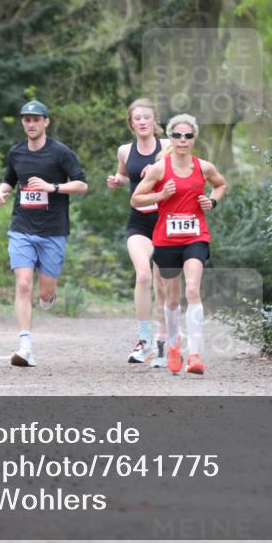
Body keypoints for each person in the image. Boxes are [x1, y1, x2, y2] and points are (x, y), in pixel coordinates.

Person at [0, 100, 88, 367]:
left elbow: (82, 185)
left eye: (36, 119)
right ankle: (25, 347)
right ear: (23, 122)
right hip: (21, 228)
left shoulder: (61, 153)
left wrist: (52, 187)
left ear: (46, 122)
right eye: (27, 119)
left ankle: (49, 296)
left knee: (45, 294)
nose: (31, 124)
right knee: (23, 284)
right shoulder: (16, 152)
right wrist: (0, 192)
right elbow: (9, 180)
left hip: (53, 231)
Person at [130, 114, 226, 375]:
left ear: (194, 138)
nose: (183, 140)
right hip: (165, 240)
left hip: (196, 237)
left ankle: (195, 355)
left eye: (188, 136)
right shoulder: (159, 169)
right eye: (177, 135)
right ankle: (173, 347)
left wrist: (212, 201)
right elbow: (136, 199)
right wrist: (161, 194)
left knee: (192, 290)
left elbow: (220, 184)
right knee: (172, 299)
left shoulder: (204, 167)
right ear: (170, 138)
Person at [107, 98, 170, 367]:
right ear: (131, 123)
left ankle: (163, 343)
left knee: (162, 283)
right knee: (143, 275)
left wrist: (158, 169)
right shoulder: (124, 150)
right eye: (137, 118)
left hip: (165, 221)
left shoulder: (168, 146)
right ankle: (144, 342)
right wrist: (117, 180)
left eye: (147, 117)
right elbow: (125, 175)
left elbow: (181, 171)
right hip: (139, 222)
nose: (142, 122)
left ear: (155, 122)